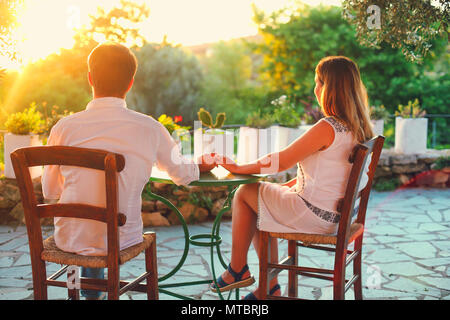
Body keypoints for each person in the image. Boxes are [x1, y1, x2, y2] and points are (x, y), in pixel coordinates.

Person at [42, 42, 214, 300]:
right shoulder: (149, 128)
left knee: (85, 233)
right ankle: (94, 292)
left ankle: (80, 292)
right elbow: (182, 174)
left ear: (90, 78)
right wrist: (201, 164)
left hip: (70, 237)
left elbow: (50, 190)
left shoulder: (64, 128)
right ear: (131, 82)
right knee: (103, 234)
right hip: (122, 237)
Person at [210, 56, 374, 299]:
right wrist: (282, 187)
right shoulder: (359, 128)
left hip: (314, 217)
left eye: (318, 82)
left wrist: (239, 167)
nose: (315, 88)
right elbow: (327, 177)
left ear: (328, 88)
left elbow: (281, 160)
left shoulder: (328, 127)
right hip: (336, 218)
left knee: (244, 193)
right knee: (261, 199)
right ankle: (269, 286)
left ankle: (238, 270)